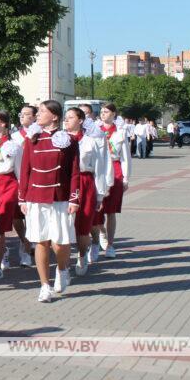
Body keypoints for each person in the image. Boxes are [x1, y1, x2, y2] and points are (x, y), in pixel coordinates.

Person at [18, 100, 80, 302]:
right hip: (36, 198)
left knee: (60, 243)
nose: (38, 114)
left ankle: (62, 269)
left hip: (59, 198)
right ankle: (45, 285)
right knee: (40, 241)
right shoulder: (32, 139)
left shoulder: (68, 140)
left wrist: (74, 198)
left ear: (54, 116)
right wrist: (22, 198)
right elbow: (25, 169)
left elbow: (74, 171)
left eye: (42, 111)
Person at [64, 108, 113, 277]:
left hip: (85, 182)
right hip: (66, 184)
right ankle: (63, 262)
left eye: (71, 117)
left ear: (81, 120)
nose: (67, 120)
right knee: (65, 225)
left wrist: (100, 195)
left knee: (83, 224)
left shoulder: (90, 141)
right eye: (66, 117)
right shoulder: (61, 140)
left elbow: (99, 169)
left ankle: (82, 255)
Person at [0, 110, 22, 279]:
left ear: (3, 123)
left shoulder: (13, 144)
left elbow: (19, 170)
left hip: (6, 185)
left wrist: (23, 194)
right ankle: (2, 251)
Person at [97, 103, 131, 260]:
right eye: (102, 112)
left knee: (110, 211)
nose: (103, 114)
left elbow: (125, 158)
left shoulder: (120, 133)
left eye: (107, 112)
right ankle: (101, 234)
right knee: (96, 210)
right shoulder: (95, 131)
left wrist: (126, 178)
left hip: (115, 170)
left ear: (114, 114)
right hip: (98, 171)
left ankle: (110, 244)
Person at [10, 104, 38, 266]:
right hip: (18, 179)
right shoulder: (15, 136)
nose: (22, 116)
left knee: (32, 215)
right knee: (17, 216)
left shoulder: (38, 135)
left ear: (34, 117)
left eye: (27, 114)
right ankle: (23, 241)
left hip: (35, 179)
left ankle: (31, 245)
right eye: (21, 114)